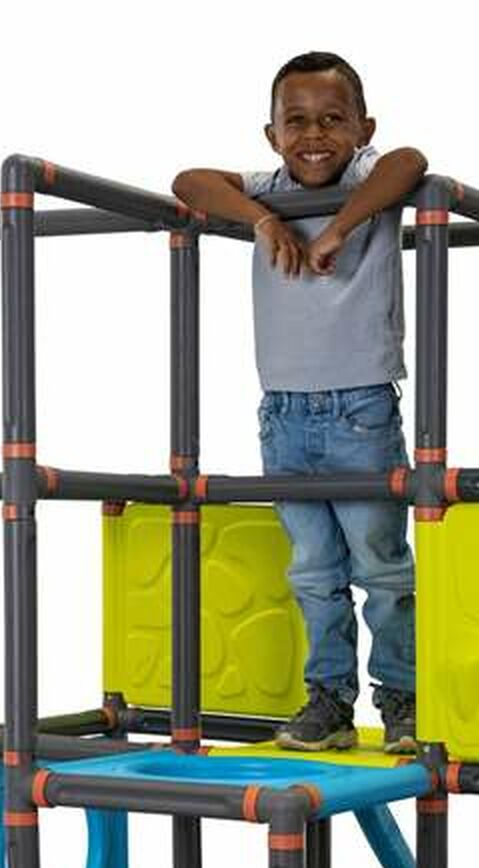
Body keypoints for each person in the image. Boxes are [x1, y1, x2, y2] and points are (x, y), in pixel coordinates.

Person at [172, 51, 426, 753]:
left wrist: (339, 226)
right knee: (313, 570)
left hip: (361, 411)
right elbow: (188, 182)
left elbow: (411, 162)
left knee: (380, 565)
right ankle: (330, 700)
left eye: (333, 120)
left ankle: (403, 696)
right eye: (297, 122)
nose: (314, 135)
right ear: (272, 135)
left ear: (362, 129)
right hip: (283, 415)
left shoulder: (369, 179)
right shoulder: (272, 187)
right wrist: (262, 220)